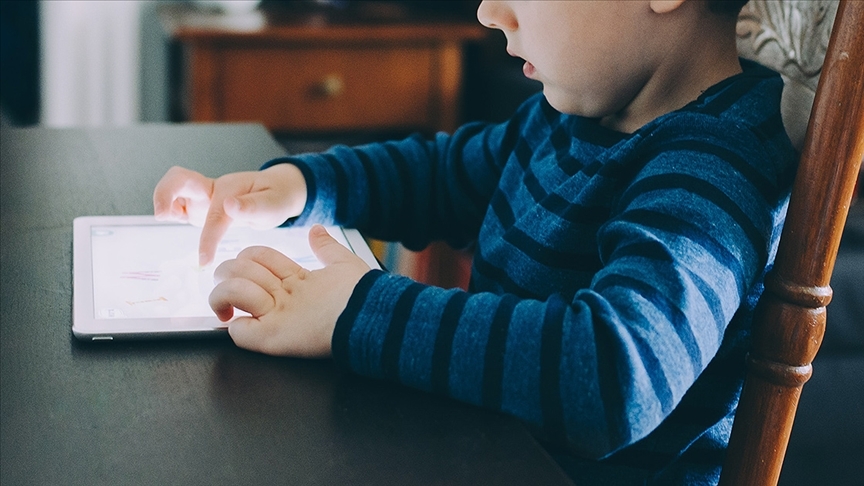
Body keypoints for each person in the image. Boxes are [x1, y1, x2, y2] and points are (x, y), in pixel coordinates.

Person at [153, 1, 797, 483]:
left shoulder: (715, 165)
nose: (490, 12)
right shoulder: (575, 115)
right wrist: (300, 187)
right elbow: (441, 177)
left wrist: (357, 308)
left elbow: (616, 376)